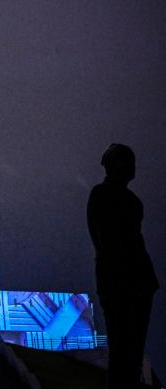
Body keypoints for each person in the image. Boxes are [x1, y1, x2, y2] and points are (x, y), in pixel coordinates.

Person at [87, 143, 159, 388]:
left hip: (136, 282)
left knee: (132, 352)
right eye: (124, 161)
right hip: (119, 282)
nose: (130, 167)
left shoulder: (133, 201)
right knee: (122, 350)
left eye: (132, 162)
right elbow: (104, 240)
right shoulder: (101, 195)